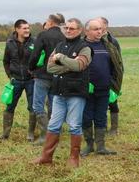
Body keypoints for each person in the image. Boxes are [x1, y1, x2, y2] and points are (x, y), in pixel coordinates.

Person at [34, 18, 92, 167]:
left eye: (72, 28)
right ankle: (46, 158)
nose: (68, 30)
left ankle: (74, 158)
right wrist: (69, 64)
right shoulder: (59, 45)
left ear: (80, 31)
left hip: (76, 93)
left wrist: (61, 58)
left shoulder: (85, 48)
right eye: (66, 28)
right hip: (58, 92)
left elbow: (79, 65)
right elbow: (50, 68)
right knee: (53, 125)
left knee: (74, 125)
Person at [80, 18, 123, 156]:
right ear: (87, 31)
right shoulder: (81, 46)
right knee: (86, 118)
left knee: (101, 117)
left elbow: (116, 65)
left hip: (104, 89)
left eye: (100, 29)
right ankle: (89, 145)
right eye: (95, 29)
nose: (99, 32)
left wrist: (113, 84)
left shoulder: (107, 45)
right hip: (85, 91)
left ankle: (101, 147)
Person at [28, 13, 65, 144]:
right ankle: (55, 134)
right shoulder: (64, 36)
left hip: (42, 75)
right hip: (58, 75)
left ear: (50, 22)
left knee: (37, 105)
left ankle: (44, 136)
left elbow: (35, 54)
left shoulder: (43, 35)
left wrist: (31, 68)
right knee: (54, 105)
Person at [1, 19, 36, 140]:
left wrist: (35, 73)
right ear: (17, 29)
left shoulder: (34, 42)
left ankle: (30, 133)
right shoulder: (10, 42)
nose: (27, 30)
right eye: (24, 28)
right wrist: (10, 75)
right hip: (15, 80)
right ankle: (5, 133)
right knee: (10, 106)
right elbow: (6, 61)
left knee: (32, 107)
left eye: (28, 28)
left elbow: (39, 60)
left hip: (31, 81)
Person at [98, 17, 122, 136]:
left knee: (112, 102)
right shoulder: (93, 39)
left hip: (111, 77)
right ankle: (100, 127)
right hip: (97, 77)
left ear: (105, 26)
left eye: (99, 25)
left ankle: (114, 128)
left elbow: (118, 62)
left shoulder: (113, 41)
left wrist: (116, 79)